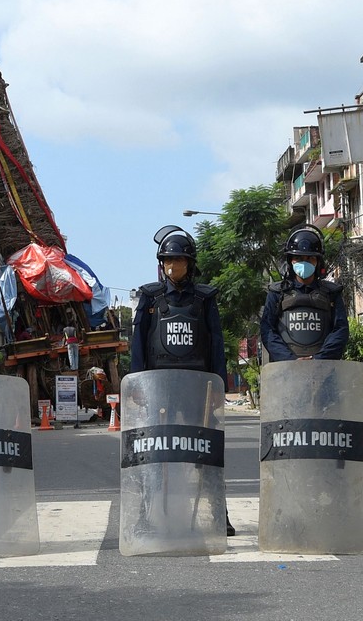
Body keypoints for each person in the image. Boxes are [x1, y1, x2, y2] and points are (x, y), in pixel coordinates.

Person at [130, 225, 233, 536]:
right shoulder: (150, 297)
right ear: (161, 264)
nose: (173, 266)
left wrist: (218, 386)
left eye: (180, 261)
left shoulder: (205, 299)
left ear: (190, 263)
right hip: (159, 388)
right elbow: (138, 343)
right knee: (153, 454)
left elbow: (216, 343)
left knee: (206, 453)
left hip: (196, 389)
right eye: (168, 261)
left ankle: (219, 514)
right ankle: (146, 516)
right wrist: (137, 384)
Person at [260, 225, 349, 362]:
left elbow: (340, 330)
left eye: (310, 258)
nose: (304, 262)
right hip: (286, 370)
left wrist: (318, 359)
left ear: (318, 262)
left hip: (324, 369)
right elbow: (267, 331)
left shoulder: (332, 293)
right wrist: (290, 359)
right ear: (291, 261)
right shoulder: (277, 293)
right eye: (299, 258)